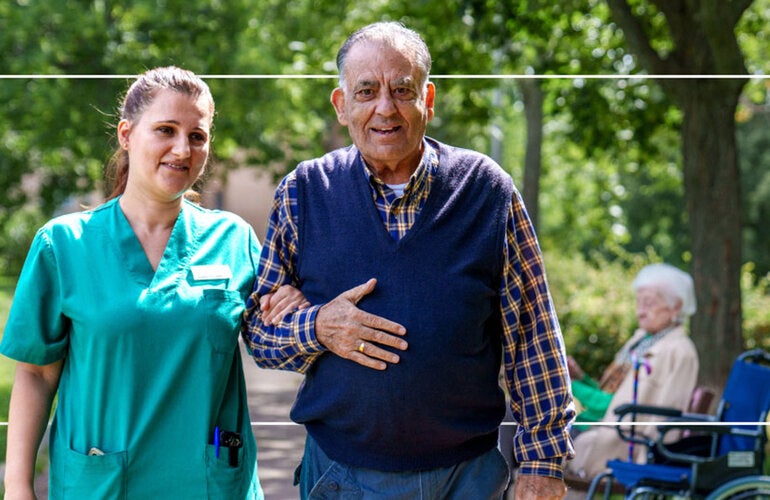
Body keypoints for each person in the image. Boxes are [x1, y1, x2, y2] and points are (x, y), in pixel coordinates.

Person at [243, 22, 575, 499]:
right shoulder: (303, 192)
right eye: (367, 91)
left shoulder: (485, 189)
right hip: (341, 475)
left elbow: (534, 335)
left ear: (429, 99)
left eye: (402, 90)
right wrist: (318, 327)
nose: (385, 108)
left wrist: (543, 460)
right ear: (341, 106)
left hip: (467, 479)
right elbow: (259, 335)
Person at [0, 66, 306, 498]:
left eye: (197, 136)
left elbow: (275, 334)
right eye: (166, 129)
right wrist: (17, 486)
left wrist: (294, 302)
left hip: (210, 484)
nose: (182, 149)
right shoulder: (64, 245)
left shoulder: (233, 240)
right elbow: (34, 372)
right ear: (126, 134)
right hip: (103, 484)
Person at [565, 263, 700, 479]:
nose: (640, 309)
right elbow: (612, 395)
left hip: (623, 442)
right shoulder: (641, 340)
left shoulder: (679, 351)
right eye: (638, 301)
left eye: (649, 303)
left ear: (676, 307)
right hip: (601, 428)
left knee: (527, 439)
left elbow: (615, 407)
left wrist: (565, 383)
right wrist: (580, 378)